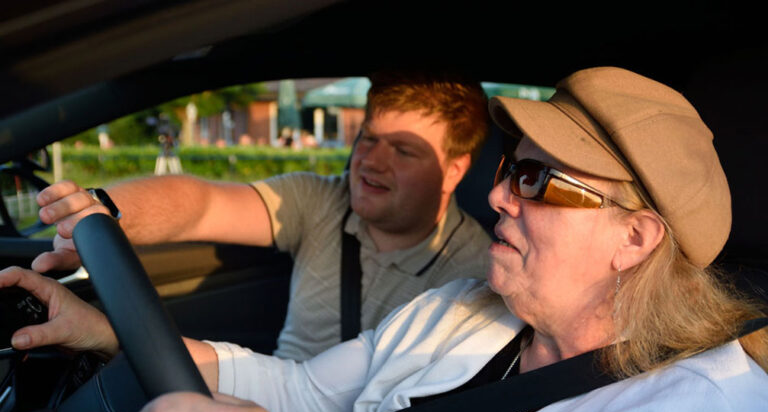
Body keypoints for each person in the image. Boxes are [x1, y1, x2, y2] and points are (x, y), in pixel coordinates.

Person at [3, 66, 768, 412]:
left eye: (538, 181)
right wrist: (110, 335)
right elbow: (306, 400)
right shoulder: (465, 309)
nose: (499, 197)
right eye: (512, 168)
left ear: (635, 239)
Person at [30, 72, 492, 361]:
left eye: (404, 151)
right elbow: (201, 204)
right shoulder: (321, 200)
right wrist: (100, 216)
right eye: (368, 138)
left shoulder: (477, 275)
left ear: (454, 171)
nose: (372, 160)